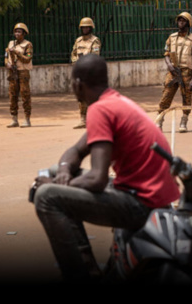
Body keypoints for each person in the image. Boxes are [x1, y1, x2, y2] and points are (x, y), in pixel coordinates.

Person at [33, 54, 180, 283]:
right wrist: (62, 172)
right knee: (54, 171)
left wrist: (56, 185)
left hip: (143, 204)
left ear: (78, 84)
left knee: (46, 196)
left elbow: (97, 179)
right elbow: (75, 151)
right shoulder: (115, 101)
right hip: (150, 196)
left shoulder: (100, 110)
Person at [156, 12, 192, 132]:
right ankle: (159, 120)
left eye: (184, 20)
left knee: (187, 97)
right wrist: (169, 65)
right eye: (179, 20)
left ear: (188, 23)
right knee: (166, 95)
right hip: (173, 71)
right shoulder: (172, 37)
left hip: (187, 72)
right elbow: (166, 54)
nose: (180, 22)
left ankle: (184, 119)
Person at [70, 17, 102, 129]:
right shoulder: (78, 40)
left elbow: (95, 55)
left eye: (87, 27)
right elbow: (73, 54)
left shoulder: (95, 40)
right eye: (83, 27)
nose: (85, 29)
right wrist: (76, 62)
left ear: (91, 28)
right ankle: (83, 119)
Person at [5, 23, 33, 128]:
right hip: (12, 72)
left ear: (24, 33)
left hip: (23, 72)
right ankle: (14, 119)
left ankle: (27, 119)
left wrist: (17, 53)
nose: (17, 33)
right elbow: (6, 56)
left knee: (25, 95)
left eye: (19, 32)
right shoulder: (11, 43)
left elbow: (28, 58)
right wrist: (7, 63)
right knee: (12, 95)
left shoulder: (28, 44)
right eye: (16, 31)